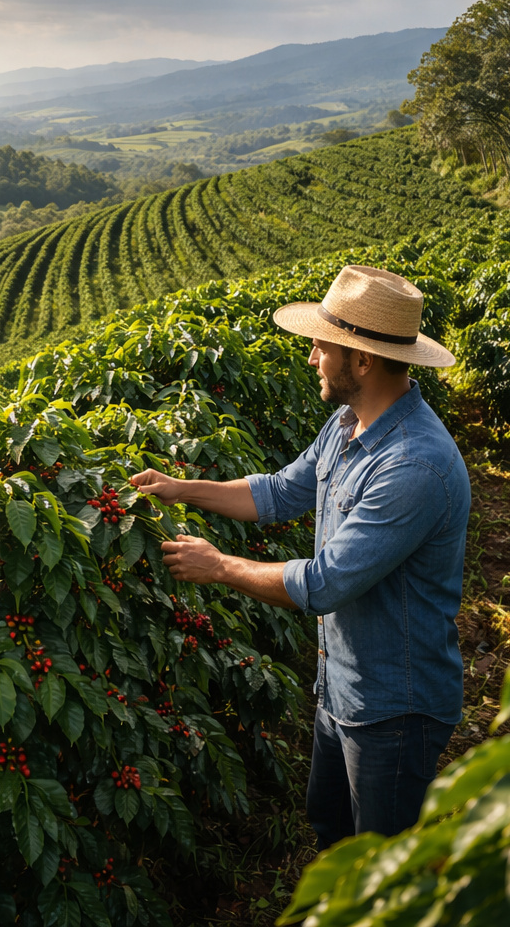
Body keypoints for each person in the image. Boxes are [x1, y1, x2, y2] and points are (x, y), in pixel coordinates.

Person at [130, 264, 469, 849]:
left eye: (320, 346)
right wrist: (182, 487)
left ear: (361, 360)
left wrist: (218, 568)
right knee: (331, 830)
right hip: (341, 684)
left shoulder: (413, 466)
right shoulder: (349, 425)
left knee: (377, 865)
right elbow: (281, 491)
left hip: (394, 708)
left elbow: (324, 584)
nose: (311, 357)